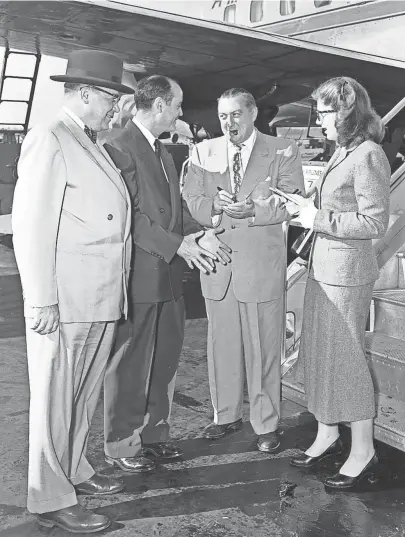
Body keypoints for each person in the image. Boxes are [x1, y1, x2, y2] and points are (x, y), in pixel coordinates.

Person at [12, 50, 134, 533]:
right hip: (65, 298)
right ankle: (49, 497)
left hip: (99, 293)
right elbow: (31, 224)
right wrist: (40, 297)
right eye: (110, 97)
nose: (115, 107)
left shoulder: (90, 140)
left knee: (80, 396)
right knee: (54, 399)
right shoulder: (50, 137)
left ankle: (75, 469)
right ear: (85, 93)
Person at [103, 75, 231, 472]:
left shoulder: (163, 150)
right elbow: (133, 218)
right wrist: (180, 245)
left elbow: (174, 210)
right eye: (176, 105)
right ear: (158, 106)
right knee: (131, 364)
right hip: (142, 276)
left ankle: (155, 434)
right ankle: (122, 442)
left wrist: (199, 234)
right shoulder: (118, 147)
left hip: (170, 277)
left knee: (165, 360)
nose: (180, 112)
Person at [183, 88, 305, 452]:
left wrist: (255, 210)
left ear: (253, 114)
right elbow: (192, 199)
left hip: (260, 267)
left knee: (264, 347)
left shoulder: (283, 149)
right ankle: (225, 415)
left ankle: (266, 424)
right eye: (223, 116)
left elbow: (292, 201)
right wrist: (214, 209)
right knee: (221, 345)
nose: (229, 123)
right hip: (219, 266)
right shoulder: (203, 152)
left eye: (236, 115)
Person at [287, 77, 390, 489]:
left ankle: (363, 449)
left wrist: (320, 220)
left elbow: (374, 221)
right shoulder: (343, 152)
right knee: (321, 354)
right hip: (323, 268)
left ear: (347, 112)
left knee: (345, 359)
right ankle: (328, 432)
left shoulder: (368, 154)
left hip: (346, 275)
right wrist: (303, 206)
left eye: (326, 112)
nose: (320, 120)